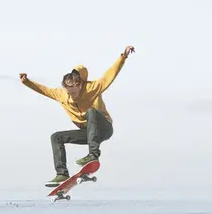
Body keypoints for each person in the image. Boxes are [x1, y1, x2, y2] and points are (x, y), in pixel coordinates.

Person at [19, 45, 136, 185]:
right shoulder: (61, 94)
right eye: (69, 93)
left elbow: (109, 75)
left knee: (91, 111)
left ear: (80, 85)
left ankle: (93, 155)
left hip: (104, 128)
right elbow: (43, 90)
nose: (72, 96)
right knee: (56, 137)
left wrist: (123, 56)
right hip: (88, 132)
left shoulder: (92, 88)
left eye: (74, 93)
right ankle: (62, 174)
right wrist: (27, 82)